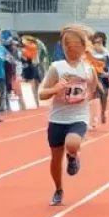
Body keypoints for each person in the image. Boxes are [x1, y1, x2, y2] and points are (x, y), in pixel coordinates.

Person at [40, 26, 97, 206]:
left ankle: (72, 155)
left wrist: (87, 97)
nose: (71, 48)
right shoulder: (57, 68)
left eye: (74, 44)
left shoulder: (88, 69)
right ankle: (58, 189)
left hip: (78, 116)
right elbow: (42, 94)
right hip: (57, 118)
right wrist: (56, 89)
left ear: (82, 46)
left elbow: (93, 88)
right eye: (67, 45)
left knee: (72, 143)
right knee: (56, 159)